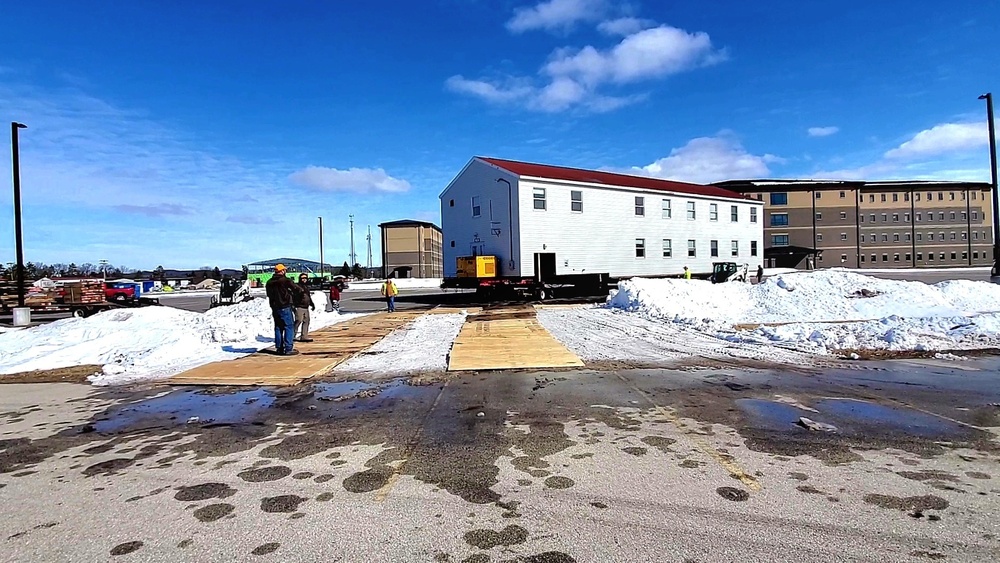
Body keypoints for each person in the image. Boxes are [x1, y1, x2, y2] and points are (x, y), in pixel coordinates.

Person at [265, 264, 303, 355]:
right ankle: (288, 348)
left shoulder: (269, 282)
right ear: (282, 271)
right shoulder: (285, 280)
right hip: (285, 306)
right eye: (284, 270)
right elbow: (297, 289)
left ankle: (279, 348)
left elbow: (268, 294)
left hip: (275, 307)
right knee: (289, 326)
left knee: (278, 327)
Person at [294, 273, 315, 342]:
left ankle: (304, 336)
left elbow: (308, 296)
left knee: (306, 321)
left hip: (306, 307)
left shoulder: (306, 287)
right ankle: (292, 335)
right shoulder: (297, 286)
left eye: (305, 278)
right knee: (298, 320)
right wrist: (295, 304)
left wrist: (312, 304)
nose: (304, 279)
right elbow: (293, 296)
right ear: (300, 279)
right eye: (303, 278)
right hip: (299, 306)